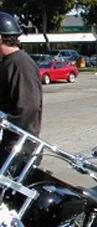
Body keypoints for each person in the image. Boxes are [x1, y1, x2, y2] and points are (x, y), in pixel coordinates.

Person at [0, 11, 43, 164]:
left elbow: (27, 108)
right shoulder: (8, 62)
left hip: (18, 149)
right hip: (9, 146)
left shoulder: (20, 64)